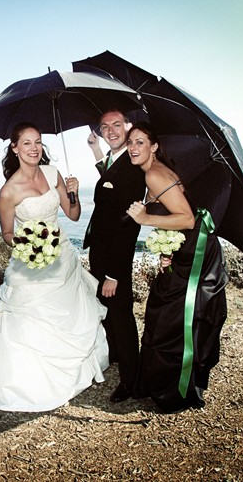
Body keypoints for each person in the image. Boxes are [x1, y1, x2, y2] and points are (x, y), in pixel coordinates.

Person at [0, 123, 109, 412]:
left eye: (38, 142)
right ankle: (30, 379)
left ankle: (72, 369)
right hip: (29, 262)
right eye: (27, 143)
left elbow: (73, 214)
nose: (34, 148)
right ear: (15, 148)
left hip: (63, 256)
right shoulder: (8, 192)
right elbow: (7, 234)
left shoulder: (52, 173)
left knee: (71, 312)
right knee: (28, 318)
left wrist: (73, 193)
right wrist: (29, 244)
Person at [124, 123, 228, 413]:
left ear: (154, 147)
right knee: (170, 313)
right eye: (131, 142)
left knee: (174, 317)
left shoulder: (154, 174)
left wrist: (144, 219)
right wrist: (169, 249)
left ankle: (175, 391)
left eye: (140, 142)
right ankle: (170, 382)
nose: (133, 147)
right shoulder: (158, 170)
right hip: (188, 250)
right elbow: (176, 215)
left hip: (196, 254)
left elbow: (187, 219)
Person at [84, 110, 146, 403]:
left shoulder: (133, 168)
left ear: (128, 127)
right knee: (110, 311)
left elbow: (128, 227)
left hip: (114, 258)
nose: (111, 130)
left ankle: (131, 381)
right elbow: (110, 181)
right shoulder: (115, 159)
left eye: (117, 125)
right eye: (105, 126)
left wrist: (114, 274)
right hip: (101, 251)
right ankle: (119, 357)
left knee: (121, 316)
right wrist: (95, 150)